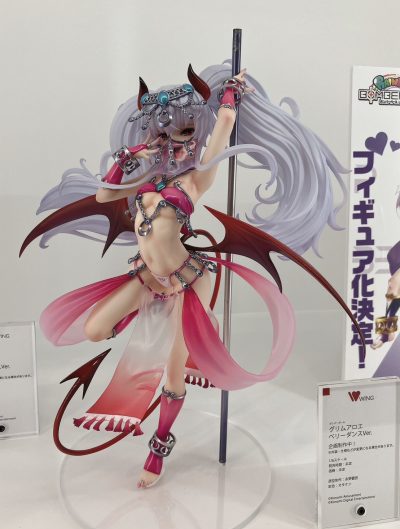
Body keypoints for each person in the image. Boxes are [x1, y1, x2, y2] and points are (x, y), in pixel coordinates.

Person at [20, 61, 364, 489]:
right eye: (163, 134)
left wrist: (230, 95)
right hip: (148, 276)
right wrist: (129, 159)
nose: (172, 143)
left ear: (195, 136)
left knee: (173, 373)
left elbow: (222, 127)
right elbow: (105, 194)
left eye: (184, 133)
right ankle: (152, 323)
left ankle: (159, 446)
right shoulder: (143, 185)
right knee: (95, 329)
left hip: (187, 278)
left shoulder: (195, 182)